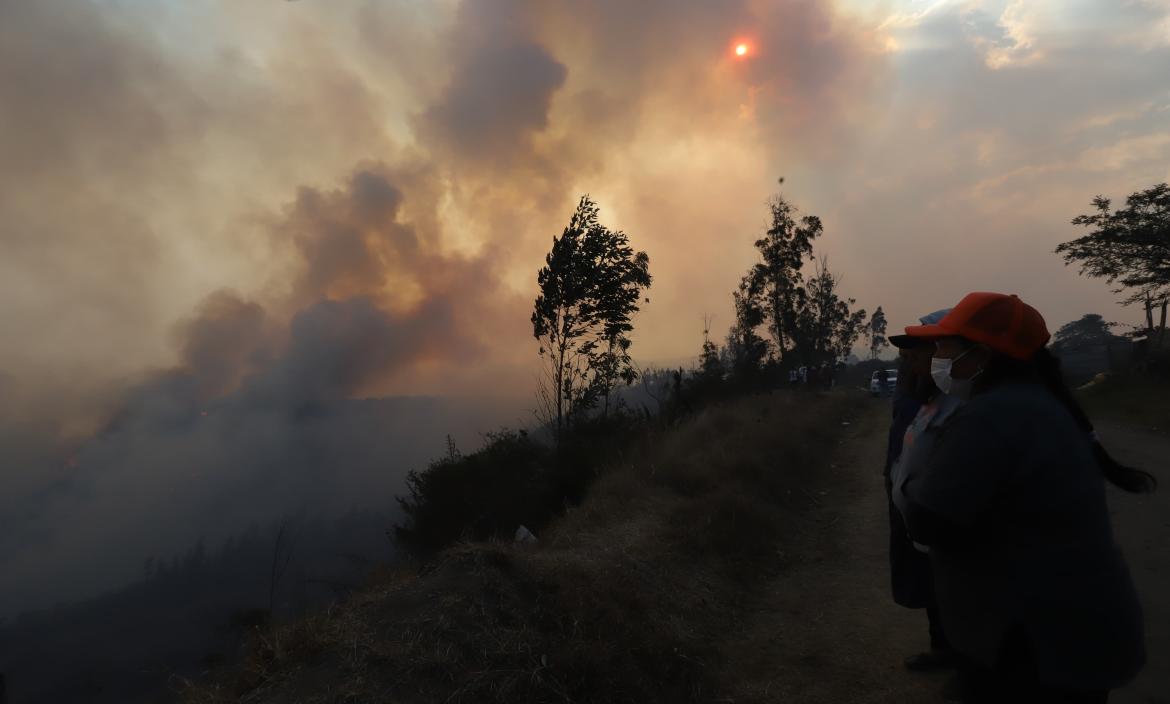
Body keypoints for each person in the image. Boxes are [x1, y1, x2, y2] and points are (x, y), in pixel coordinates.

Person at [892, 292, 1154, 703]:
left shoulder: (993, 416)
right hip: (1067, 632)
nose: (935, 356)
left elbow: (928, 519)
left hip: (1037, 642)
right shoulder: (1034, 405)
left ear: (980, 355)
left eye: (944, 346)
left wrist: (907, 486)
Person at [885, 308, 956, 673]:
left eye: (918, 353)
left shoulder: (961, 405)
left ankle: (967, 664)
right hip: (917, 510)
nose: (910, 361)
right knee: (930, 581)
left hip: (941, 520)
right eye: (907, 355)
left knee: (952, 585)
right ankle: (943, 648)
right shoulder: (921, 396)